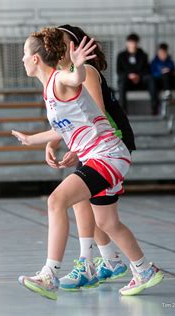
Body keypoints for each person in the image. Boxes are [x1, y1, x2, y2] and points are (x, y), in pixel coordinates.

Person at [13, 27, 163, 300]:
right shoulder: (49, 90)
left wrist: (80, 66)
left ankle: (49, 274)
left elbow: (76, 77)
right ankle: (144, 270)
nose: (21, 59)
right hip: (105, 156)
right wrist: (31, 139)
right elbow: (62, 128)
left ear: (35, 59)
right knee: (107, 222)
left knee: (56, 201)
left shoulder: (61, 78)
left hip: (106, 155)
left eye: (24, 53)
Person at [46, 24, 137, 291]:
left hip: (109, 140)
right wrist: (52, 141)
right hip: (92, 142)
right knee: (95, 210)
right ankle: (108, 259)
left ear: (75, 47)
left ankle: (89, 261)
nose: (56, 47)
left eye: (61, 42)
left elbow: (94, 110)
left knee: (80, 198)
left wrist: (76, 146)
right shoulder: (63, 75)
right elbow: (69, 117)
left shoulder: (87, 73)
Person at [117, 33, 159, 115]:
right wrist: (130, 75)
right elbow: (119, 71)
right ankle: (123, 111)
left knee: (151, 79)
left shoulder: (143, 55)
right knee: (121, 81)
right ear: (127, 43)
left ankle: (155, 108)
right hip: (127, 81)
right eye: (130, 42)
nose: (132, 45)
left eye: (134, 42)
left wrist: (138, 76)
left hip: (140, 81)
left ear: (137, 43)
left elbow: (146, 70)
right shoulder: (121, 56)